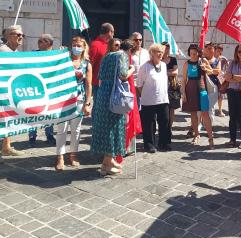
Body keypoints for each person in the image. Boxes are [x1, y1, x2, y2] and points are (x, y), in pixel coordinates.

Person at [91, 39, 135, 175]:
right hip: (114, 95)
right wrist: (132, 69)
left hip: (103, 93)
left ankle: (106, 161)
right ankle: (108, 161)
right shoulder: (122, 56)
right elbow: (123, 76)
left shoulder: (108, 55)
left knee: (105, 126)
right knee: (113, 127)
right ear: (130, 50)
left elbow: (99, 75)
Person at [55, 36, 92, 171]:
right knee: (61, 129)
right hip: (63, 100)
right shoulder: (64, 61)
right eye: (74, 45)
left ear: (83, 48)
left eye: (79, 45)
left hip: (79, 99)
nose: (76, 47)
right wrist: (60, 55)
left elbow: (88, 84)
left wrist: (88, 102)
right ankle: (60, 156)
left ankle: (73, 154)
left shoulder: (86, 64)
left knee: (76, 130)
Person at [137, 44, 171, 152]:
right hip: (148, 101)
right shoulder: (145, 67)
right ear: (152, 53)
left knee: (164, 121)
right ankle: (149, 144)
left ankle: (164, 143)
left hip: (163, 99)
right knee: (149, 124)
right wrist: (145, 96)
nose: (161, 54)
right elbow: (139, 85)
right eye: (158, 52)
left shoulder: (164, 65)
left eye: (161, 52)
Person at [182, 44, 214, 149]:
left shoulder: (203, 61)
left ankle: (211, 138)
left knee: (205, 113)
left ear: (198, 53)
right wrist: (183, 93)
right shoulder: (186, 64)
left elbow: (212, 72)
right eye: (191, 54)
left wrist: (206, 68)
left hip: (201, 88)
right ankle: (196, 134)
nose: (193, 56)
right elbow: (183, 80)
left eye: (195, 53)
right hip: (190, 88)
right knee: (193, 113)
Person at [0, 25, 25, 160]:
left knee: (7, 120)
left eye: (22, 35)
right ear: (9, 36)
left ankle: (6, 147)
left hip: (9, 92)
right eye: (17, 34)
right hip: (2, 92)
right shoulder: (4, 51)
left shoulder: (14, 52)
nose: (21, 37)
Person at [29, 34, 56, 146]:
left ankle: (49, 134)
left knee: (48, 112)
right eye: (38, 41)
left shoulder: (56, 55)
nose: (39, 43)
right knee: (33, 112)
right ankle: (32, 136)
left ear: (49, 43)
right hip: (35, 88)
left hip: (49, 88)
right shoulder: (33, 54)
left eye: (42, 41)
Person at [89, 23, 114, 104]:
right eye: (113, 32)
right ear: (109, 32)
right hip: (97, 84)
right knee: (97, 107)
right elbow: (90, 65)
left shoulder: (109, 45)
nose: (113, 34)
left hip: (108, 83)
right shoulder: (95, 45)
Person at [161, 42, 179, 134]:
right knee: (162, 107)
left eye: (168, 47)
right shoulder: (159, 59)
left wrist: (164, 72)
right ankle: (163, 127)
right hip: (160, 86)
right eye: (164, 47)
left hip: (172, 85)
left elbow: (175, 72)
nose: (166, 49)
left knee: (171, 108)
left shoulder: (173, 59)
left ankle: (170, 128)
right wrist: (169, 71)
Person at [203, 42, 221, 123]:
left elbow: (218, 71)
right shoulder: (202, 59)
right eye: (207, 48)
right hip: (203, 85)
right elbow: (207, 71)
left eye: (211, 48)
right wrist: (212, 70)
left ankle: (209, 125)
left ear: (214, 50)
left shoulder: (217, 61)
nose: (209, 50)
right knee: (202, 107)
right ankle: (201, 125)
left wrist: (208, 69)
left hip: (213, 86)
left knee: (211, 107)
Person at [215, 44, 228, 117]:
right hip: (213, 77)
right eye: (218, 50)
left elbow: (227, 67)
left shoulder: (223, 59)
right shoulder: (212, 58)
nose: (219, 52)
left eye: (220, 51)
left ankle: (220, 110)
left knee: (221, 95)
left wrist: (224, 73)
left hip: (221, 78)